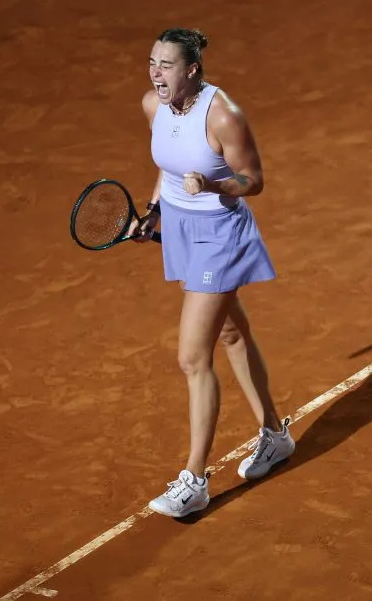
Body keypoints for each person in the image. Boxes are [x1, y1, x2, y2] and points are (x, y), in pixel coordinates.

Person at [128, 27, 295, 518]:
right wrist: (154, 211)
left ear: (192, 70)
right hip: (181, 229)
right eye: (152, 62)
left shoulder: (222, 115)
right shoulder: (153, 107)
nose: (156, 73)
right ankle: (275, 434)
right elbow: (167, 166)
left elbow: (254, 180)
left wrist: (215, 182)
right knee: (230, 333)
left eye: (167, 65)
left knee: (191, 357)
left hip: (219, 235)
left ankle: (195, 478)